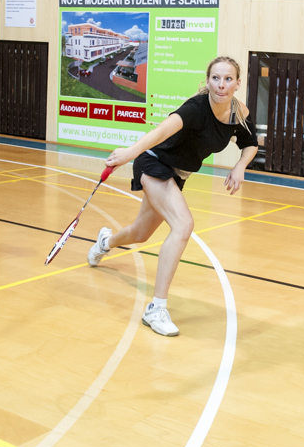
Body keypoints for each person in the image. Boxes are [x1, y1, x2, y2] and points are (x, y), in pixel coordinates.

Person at [86, 56, 259, 336]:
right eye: (216, 78)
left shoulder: (238, 112)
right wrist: (130, 153)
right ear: (207, 81)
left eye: (228, 79)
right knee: (183, 224)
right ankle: (156, 308)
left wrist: (240, 166)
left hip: (178, 174)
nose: (221, 85)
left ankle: (105, 242)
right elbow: (161, 131)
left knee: (140, 233)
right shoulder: (195, 109)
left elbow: (250, 143)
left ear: (237, 83)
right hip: (154, 163)